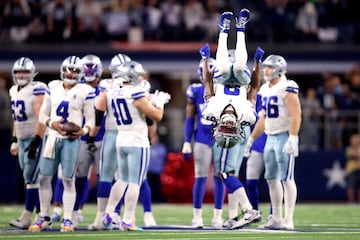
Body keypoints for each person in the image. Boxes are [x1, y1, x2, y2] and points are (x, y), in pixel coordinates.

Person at [200, 9, 263, 230]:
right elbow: (254, 88)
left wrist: (206, 60)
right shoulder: (247, 113)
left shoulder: (212, 110)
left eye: (223, 125)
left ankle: (224, 30)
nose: (227, 121)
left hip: (222, 80)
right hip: (242, 80)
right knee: (237, 66)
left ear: (217, 126)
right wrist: (257, 65)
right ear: (235, 127)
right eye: (230, 125)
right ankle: (242, 28)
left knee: (227, 67)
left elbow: (208, 85)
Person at [97, 60, 170, 231]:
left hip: (120, 140)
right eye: (139, 74)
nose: (141, 77)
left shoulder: (114, 92)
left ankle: (108, 213)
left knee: (122, 179)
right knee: (135, 182)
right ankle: (128, 219)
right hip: (137, 141)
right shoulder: (137, 93)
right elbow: (157, 116)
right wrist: (159, 103)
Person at [28, 55, 96, 232]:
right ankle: (43, 216)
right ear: (62, 69)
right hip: (52, 138)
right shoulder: (53, 86)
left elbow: (90, 119)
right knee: (43, 178)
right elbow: (43, 115)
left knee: (67, 179)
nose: (71, 73)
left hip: (71, 141)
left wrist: (83, 131)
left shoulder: (85, 90)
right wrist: (53, 124)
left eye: (75, 70)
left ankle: (67, 219)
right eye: (68, 69)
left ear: (80, 73)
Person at [244, 54, 302, 230]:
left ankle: (288, 219)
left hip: (284, 135)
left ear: (279, 69)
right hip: (270, 136)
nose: (266, 70)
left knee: (287, 178)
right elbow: (263, 118)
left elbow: (296, 114)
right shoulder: (264, 89)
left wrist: (292, 137)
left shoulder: (288, 86)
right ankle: (276, 218)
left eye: (269, 67)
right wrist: (251, 139)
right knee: (271, 178)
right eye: (266, 67)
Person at [182, 56, 225, 229]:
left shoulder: (223, 91)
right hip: (201, 138)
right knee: (200, 178)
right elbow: (189, 117)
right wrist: (186, 140)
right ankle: (197, 217)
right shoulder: (195, 90)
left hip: (220, 138)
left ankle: (218, 217)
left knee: (220, 178)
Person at [8, 57, 48, 229]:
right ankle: (42, 216)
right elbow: (16, 119)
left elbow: (42, 117)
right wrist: (14, 139)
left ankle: (26, 217)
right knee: (29, 178)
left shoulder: (37, 89)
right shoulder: (13, 90)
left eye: (25, 71)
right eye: (18, 71)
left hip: (35, 137)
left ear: (32, 73)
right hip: (23, 138)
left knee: (31, 178)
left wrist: (37, 141)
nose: (21, 74)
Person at [345, 133, 360, 203]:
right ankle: (351, 202)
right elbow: (350, 156)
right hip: (352, 171)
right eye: (354, 140)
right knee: (351, 188)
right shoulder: (348, 149)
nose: (356, 141)